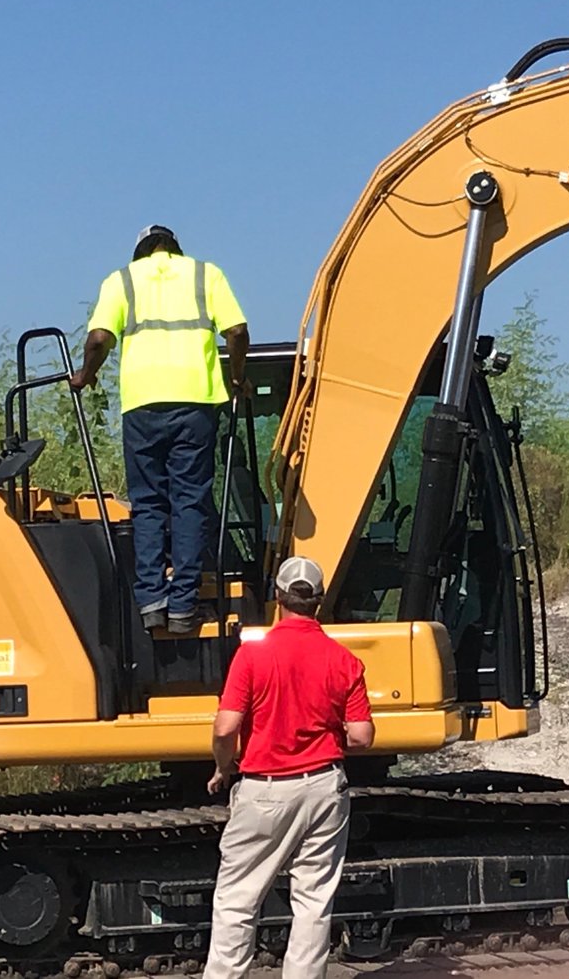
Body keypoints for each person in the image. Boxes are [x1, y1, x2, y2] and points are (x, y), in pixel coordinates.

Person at [71, 225, 249, 634]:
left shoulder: (122, 280)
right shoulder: (206, 275)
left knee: (149, 503)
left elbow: (99, 338)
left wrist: (85, 374)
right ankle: (184, 607)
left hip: (142, 405)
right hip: (197, 403)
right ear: (176, 249)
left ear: (140, 254)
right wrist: (237, 377)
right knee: (190, 502)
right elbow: (237, 332)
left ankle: (151, 601)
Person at [203, 556, 375, 979]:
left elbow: (226, 727)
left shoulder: (252, 657)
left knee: (238, 900)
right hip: (323, 789)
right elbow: (361, 736)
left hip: (264, 789)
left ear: (277, 598)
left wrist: (223, 767)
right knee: (314, 903)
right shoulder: (344, 661)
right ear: (318, 601)